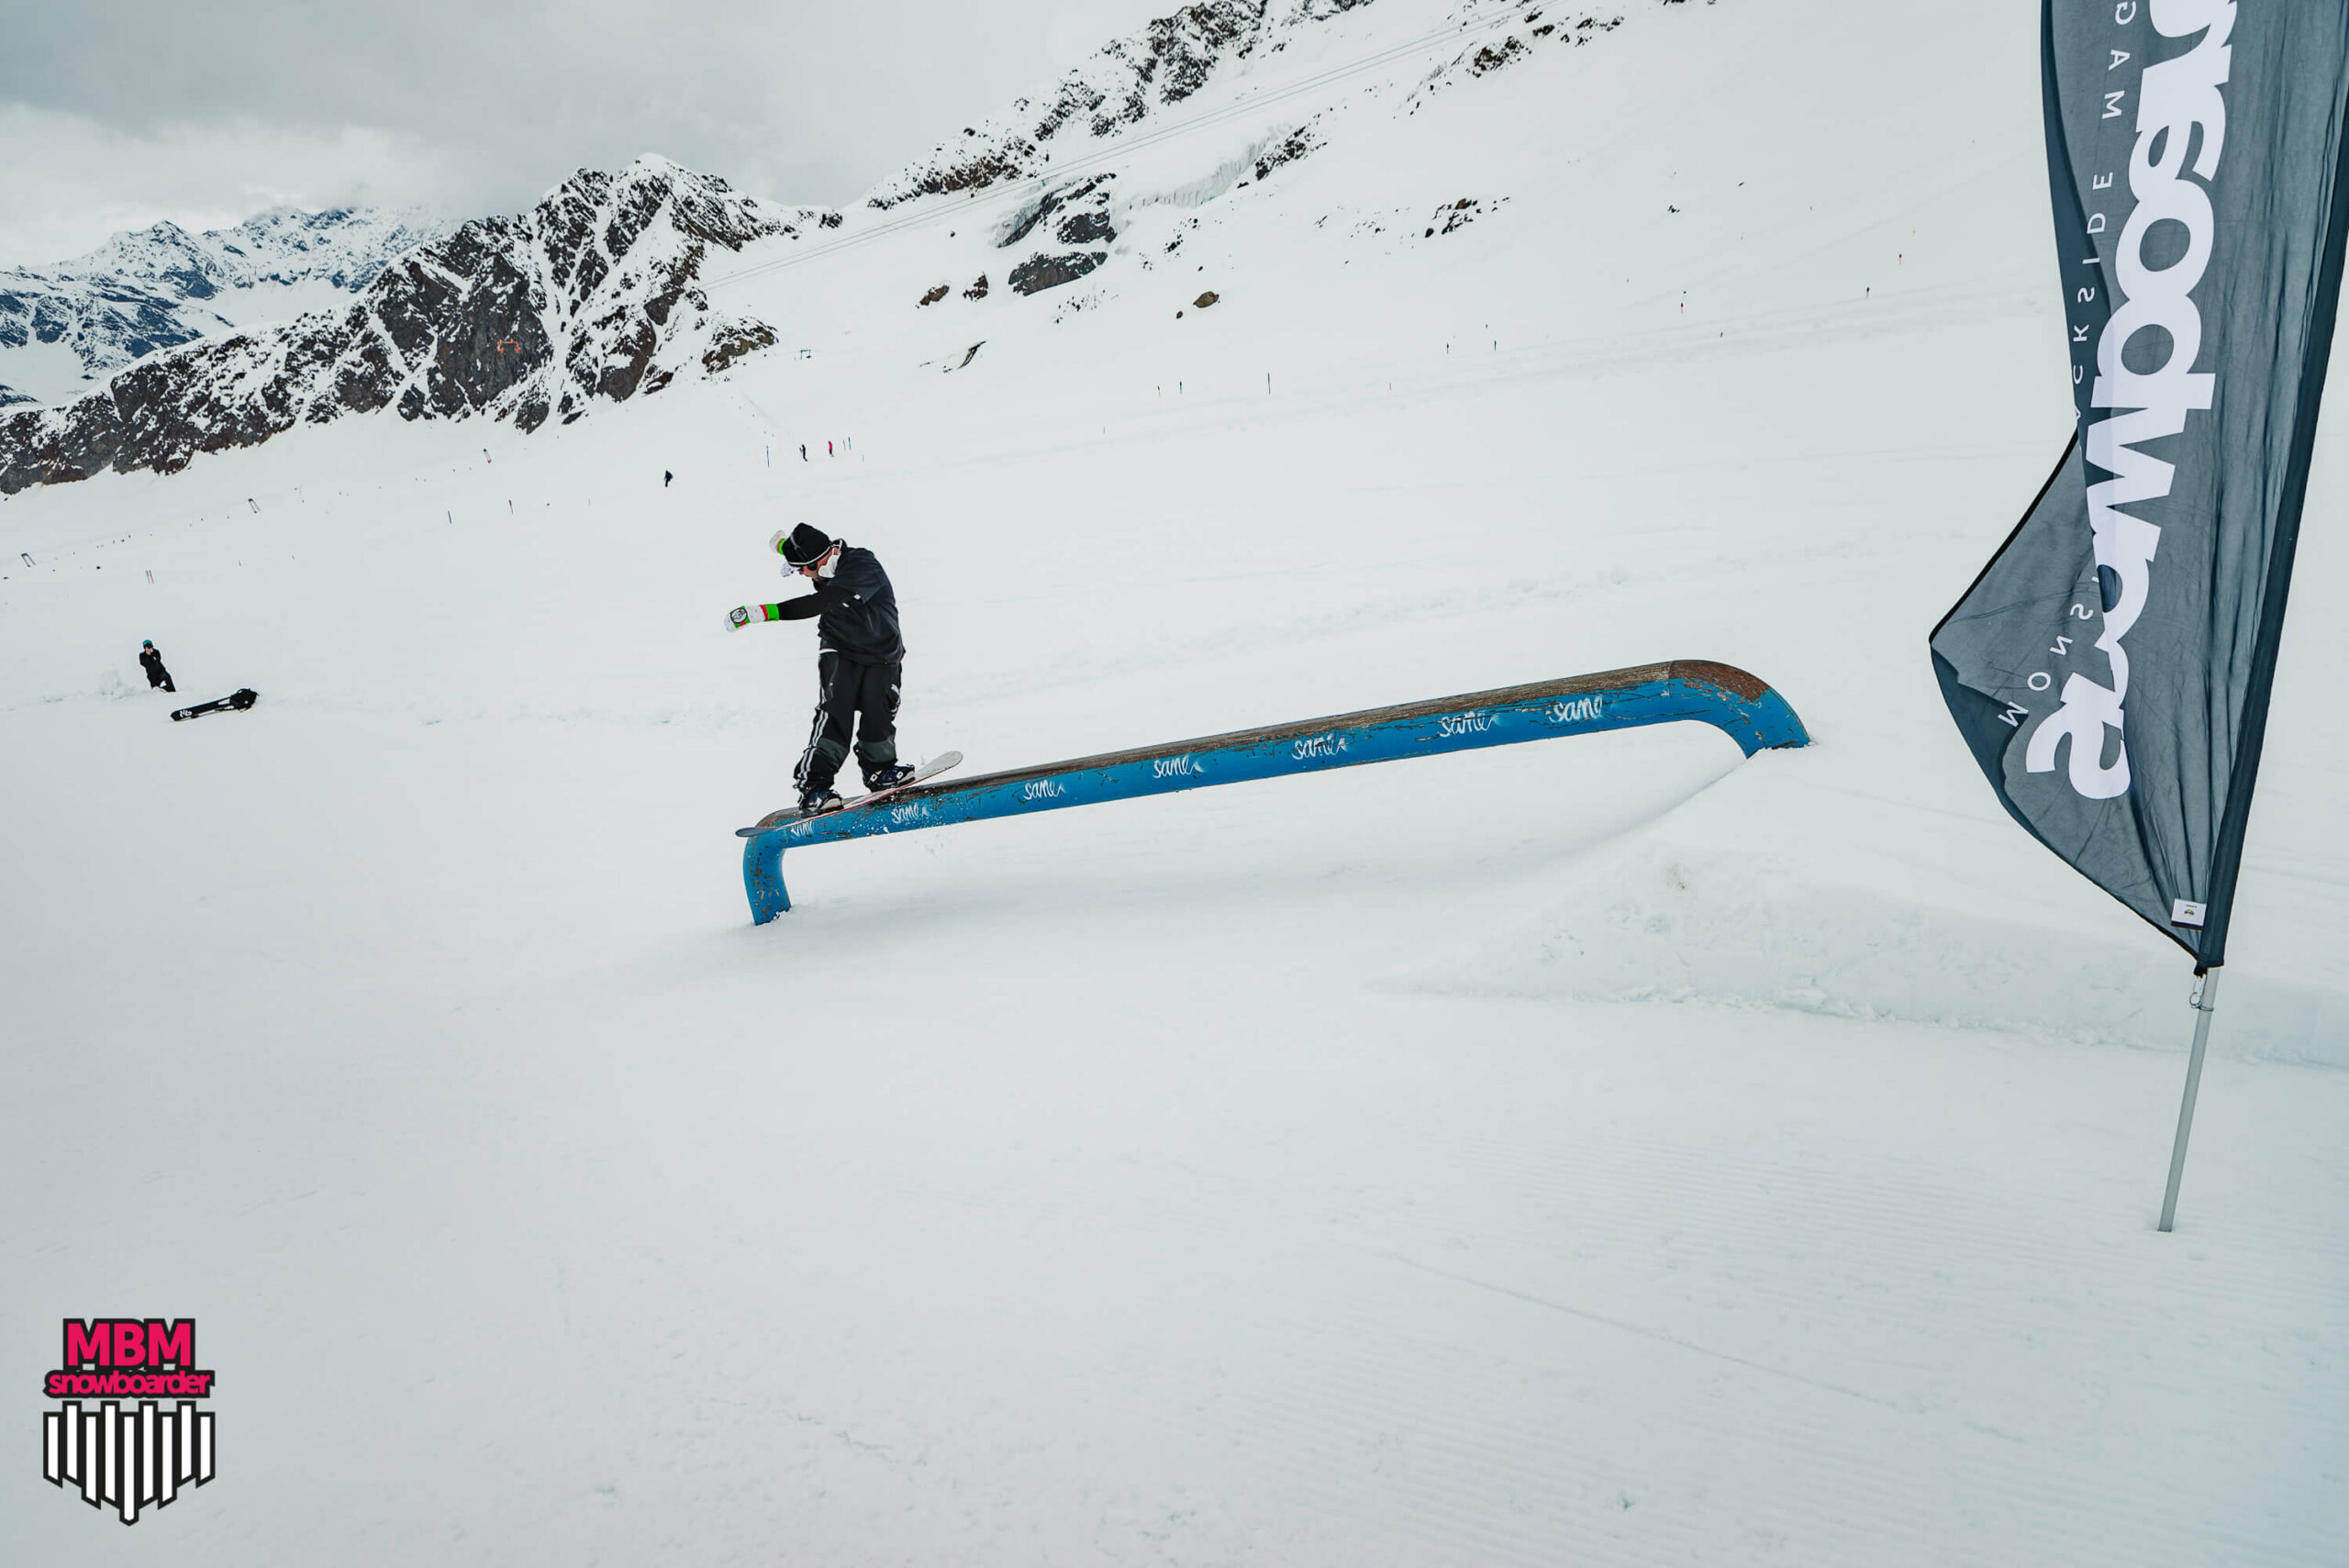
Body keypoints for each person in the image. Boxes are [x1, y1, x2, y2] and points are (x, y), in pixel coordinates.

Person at [728, 523, 915, 813]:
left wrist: (765, 612)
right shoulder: (820, 560)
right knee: (836, 711)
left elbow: (823, 601)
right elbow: (798, 549)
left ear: (820, 559)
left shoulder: (862, 564)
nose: (801, 574)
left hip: (883, 654)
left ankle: (879, 770)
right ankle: (814, 786)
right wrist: (781, 545)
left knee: (879, 710)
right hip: (839, 647)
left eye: (803, 569)